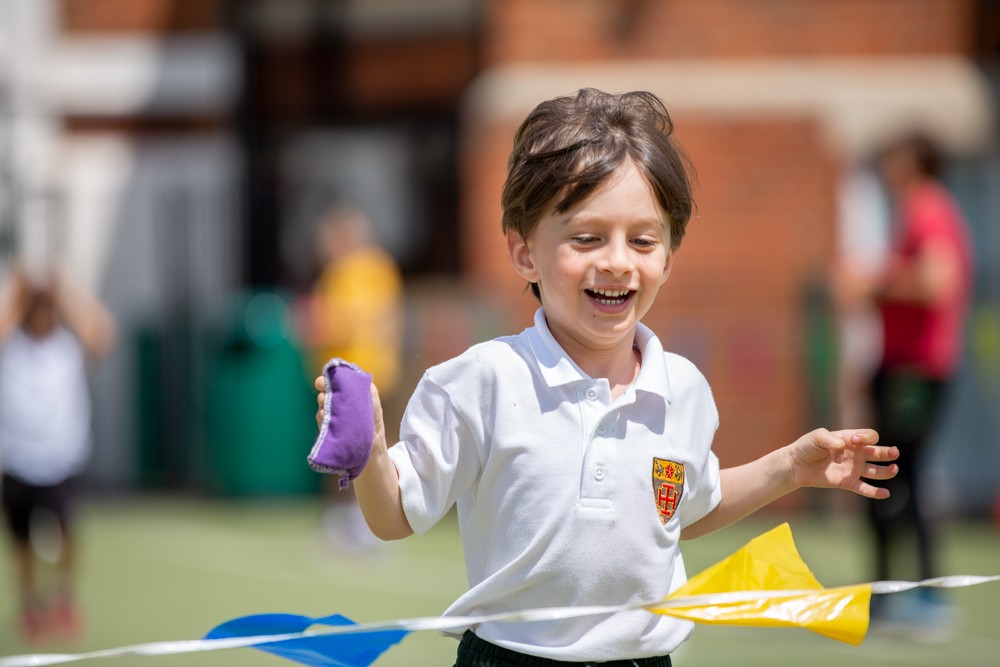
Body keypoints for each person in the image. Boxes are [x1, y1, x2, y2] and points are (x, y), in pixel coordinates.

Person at [315, 90, 897, 664]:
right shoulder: (482, 380)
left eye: (643, 240)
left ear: (667, 258)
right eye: (586, 237)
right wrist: (369, 449)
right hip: (508, 659)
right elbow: (393, 517)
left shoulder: (685, 389)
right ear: (524, 254)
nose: (618, 261)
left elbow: (684, 514)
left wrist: (788, 468)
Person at [836, 134, 973, 630]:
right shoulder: (921, 209)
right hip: (905, 367)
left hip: (914, 370)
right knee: (901, 478)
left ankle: (906, 598)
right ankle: (903, 596)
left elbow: (938, 281)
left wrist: (869, 283)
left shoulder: (926, 207)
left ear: (913, 161)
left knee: (889, 478)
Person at [0, 266, 117, 644]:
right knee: (21, 542)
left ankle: (64, 600)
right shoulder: (11, 348)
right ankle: (31, 606)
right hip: (17, 459)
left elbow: (103, 335)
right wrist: (15, 293)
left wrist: (64, 288)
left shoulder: (67, 345)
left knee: (67, 532)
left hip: (61, 456)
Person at [299, 207, 403, 553]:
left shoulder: (348, 272)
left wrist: (307, 320)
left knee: (343, 450)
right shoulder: (380, 268)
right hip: (378, 371)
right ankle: (367, 524)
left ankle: (351, 526)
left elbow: (338, 322)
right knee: (372, 451)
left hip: (351, 377)